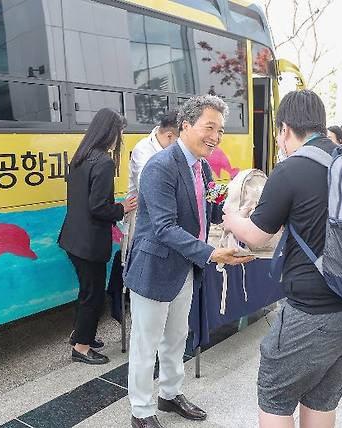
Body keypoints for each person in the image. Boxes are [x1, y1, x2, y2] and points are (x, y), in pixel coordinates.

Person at [223, 90, 342, 428]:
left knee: (274, 394)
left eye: (279, 134)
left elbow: (257, 236)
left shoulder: (291, 168)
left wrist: (232, 219)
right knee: (321, 397)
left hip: (313, 313)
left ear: (285, 129)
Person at [124, 95, 254, 428]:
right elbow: (164, 228)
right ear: (186, 125)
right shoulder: (160, 167)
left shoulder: (203, 166)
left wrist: (239, 214)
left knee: (177, 336)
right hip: (155, 269)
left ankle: (170, 394)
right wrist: (211, 253)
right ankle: (141, 410)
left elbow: (208, 209)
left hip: (185, 268)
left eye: (220, 130)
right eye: (209, 127)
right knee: (145, 343)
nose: (216, 136)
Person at [58, 108, 138, 365]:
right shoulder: (103, 162)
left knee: (86, 290)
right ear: (109, 132)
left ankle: (81, 335)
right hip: (90, 242)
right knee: (93, 294)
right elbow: (99, 207)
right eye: (120, 132)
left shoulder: (80, 157)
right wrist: (121, 208)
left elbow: (86, 201)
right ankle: (81, 348)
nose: (120, 137)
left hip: (73, 237)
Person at [122, 110, 179, 265]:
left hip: (164, 216)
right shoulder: (143, 150)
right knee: (144, 262)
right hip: (145, 216)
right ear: (169, 136)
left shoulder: (171, 151)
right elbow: (147, 188)